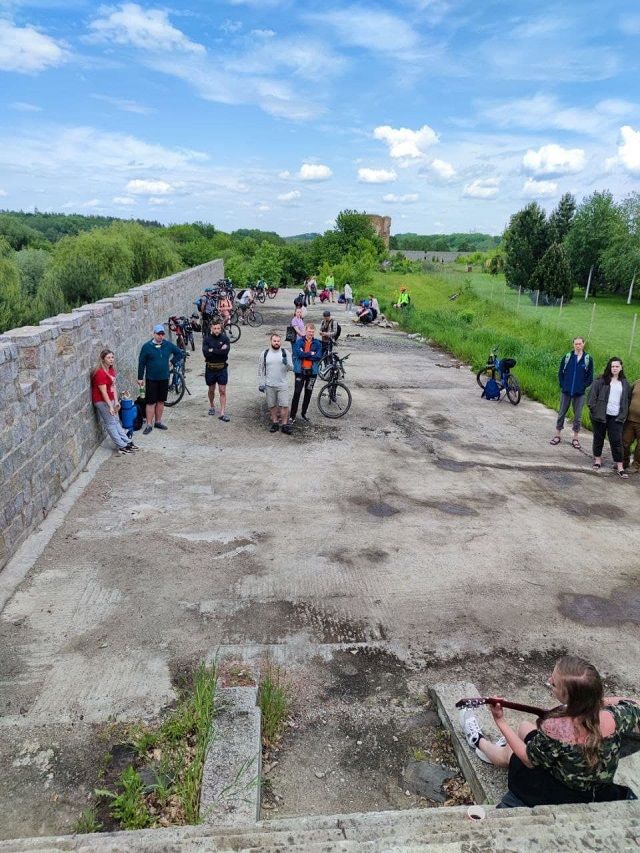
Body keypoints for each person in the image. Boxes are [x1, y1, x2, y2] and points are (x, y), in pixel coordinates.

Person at [459, 655, 639, 808]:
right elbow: (635, 703)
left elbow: (529, 760)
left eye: (553, 684)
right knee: (524, 726)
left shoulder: (556, 728)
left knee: (511, 753)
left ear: (568, 696)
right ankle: (498, 747)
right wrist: (593, 702)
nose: (550, 681)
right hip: (598, 788)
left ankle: (478, 740)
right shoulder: (618, 716)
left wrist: (500, 721)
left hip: (562, 793)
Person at [588, 356, 631, 478]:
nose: (615, 368)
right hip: (601, 416)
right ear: (609, 367)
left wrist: (623, 414)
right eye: (612, 366)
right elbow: (591, 397)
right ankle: (597, 460)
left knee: (616, 441)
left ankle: (620, 466)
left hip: (616, 417)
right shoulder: (601, 380)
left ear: (621, 367)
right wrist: (595, 410)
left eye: (617, 366)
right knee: (598, 438)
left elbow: (627, 400)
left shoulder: (625, 384)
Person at [137, 324, 184, 435]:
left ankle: (158, 422)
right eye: (158, 334)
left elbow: (179, 353)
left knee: (161, 401)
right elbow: (141, 363)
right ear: (154, 334)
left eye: (162, 334)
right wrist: (140, 378)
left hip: (164, 378)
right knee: (150, 402)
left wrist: (171, 362)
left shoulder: (168, 345)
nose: (160, 336)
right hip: (151, 379)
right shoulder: (147, 347)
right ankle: (149, 424)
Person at [91, 349, 138, 454]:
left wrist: (116, 402)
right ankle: (121, 445)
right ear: (103, 359)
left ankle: (127, 441)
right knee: (110, 423)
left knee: (116, 421)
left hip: (111, 399)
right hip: (101, 401)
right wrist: (110, 406)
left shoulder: (111, 370)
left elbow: (113, 387)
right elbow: (103, 392)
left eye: (112, 357)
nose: (111, 359)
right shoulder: (100, 373)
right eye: (108, 358)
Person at [550, 337, 593, 450]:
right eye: (576, 344)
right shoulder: (567, 357)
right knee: (561, 413)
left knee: (578, 417)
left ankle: (575, 438)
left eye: (580, 344)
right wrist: (563, 385)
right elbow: (561, 373)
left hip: (579, 393)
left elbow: (590, 377)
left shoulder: (588, 359)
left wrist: (583, 386)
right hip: (566, 391)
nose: (578, 346)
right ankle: (557, 435)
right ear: (573, 344)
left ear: (584, 344)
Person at [257, 333, 293, 434]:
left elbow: (291, 368)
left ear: (280, 342)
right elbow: (260, 369)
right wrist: (261, 383)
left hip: (282, 384)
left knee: (284, 405)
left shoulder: (285, 352)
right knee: (272, 405)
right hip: (269, 384)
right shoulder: (265, 353)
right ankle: (275, 423)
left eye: (278, 341)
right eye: (274, 341)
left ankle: (285, 425)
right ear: (271, 342)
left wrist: (287, 363)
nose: (276, 343)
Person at [290, 323, 323, 423]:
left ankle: (303, 414)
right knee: (297, 393)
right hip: (300, 372)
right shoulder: (299, 342)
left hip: (312, 373)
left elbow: (318, 356)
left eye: (312, 332)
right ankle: (292, 416)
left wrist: (305, 354)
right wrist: (311, 353)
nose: (311, 333)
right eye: (309, 331)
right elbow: (298, 354)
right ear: (305, 331)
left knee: (308, 393)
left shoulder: (317, 343)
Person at [202, 319, 231, 422]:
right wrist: (219, 350)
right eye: (215, 328)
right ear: (211, 328)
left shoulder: (225, 339)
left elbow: (225, 353)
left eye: (218, 328)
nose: (217, 330)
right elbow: (206, 353)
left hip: (222, 368)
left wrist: (212, 350)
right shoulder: (206, 339)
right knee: (211, 390)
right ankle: (212, 405)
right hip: (210, 368)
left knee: (222, 390)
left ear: (221, 328)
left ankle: (222, 412)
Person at [622, 377, 640, 472]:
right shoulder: (637, 383)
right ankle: (624, 462)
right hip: (630, 419)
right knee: (624, 442)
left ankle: (636, 465)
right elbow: (628, 397)